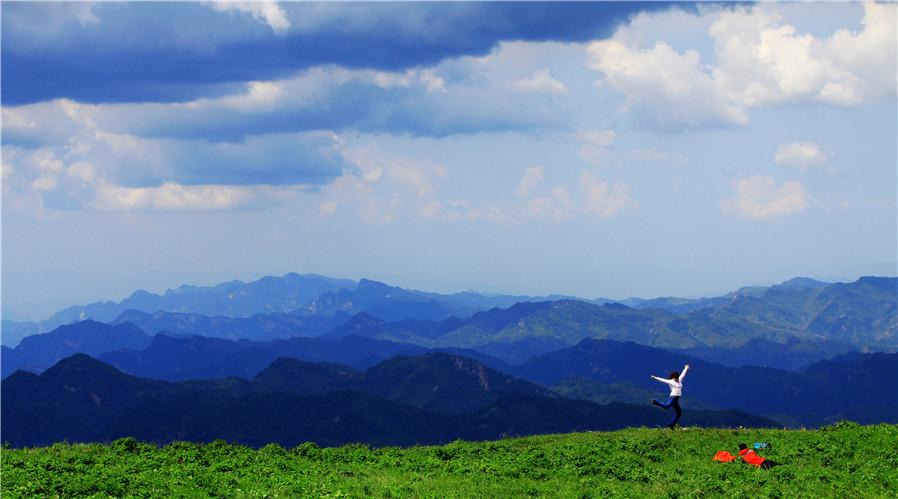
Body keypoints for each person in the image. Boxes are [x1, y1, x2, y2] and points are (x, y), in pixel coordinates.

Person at [650, 364, 689, 429]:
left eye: (677, 378)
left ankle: (671, 425)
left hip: (676, 399)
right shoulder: (671, 381)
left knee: (679, 413)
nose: (677, 379)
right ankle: (655, 401)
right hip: (673, 397)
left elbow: (683, 374)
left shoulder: (679, 379)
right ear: (673, 378)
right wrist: (655, 377)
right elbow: (662, 380)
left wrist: (686, 368)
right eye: (676, 378)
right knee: (666, 406)